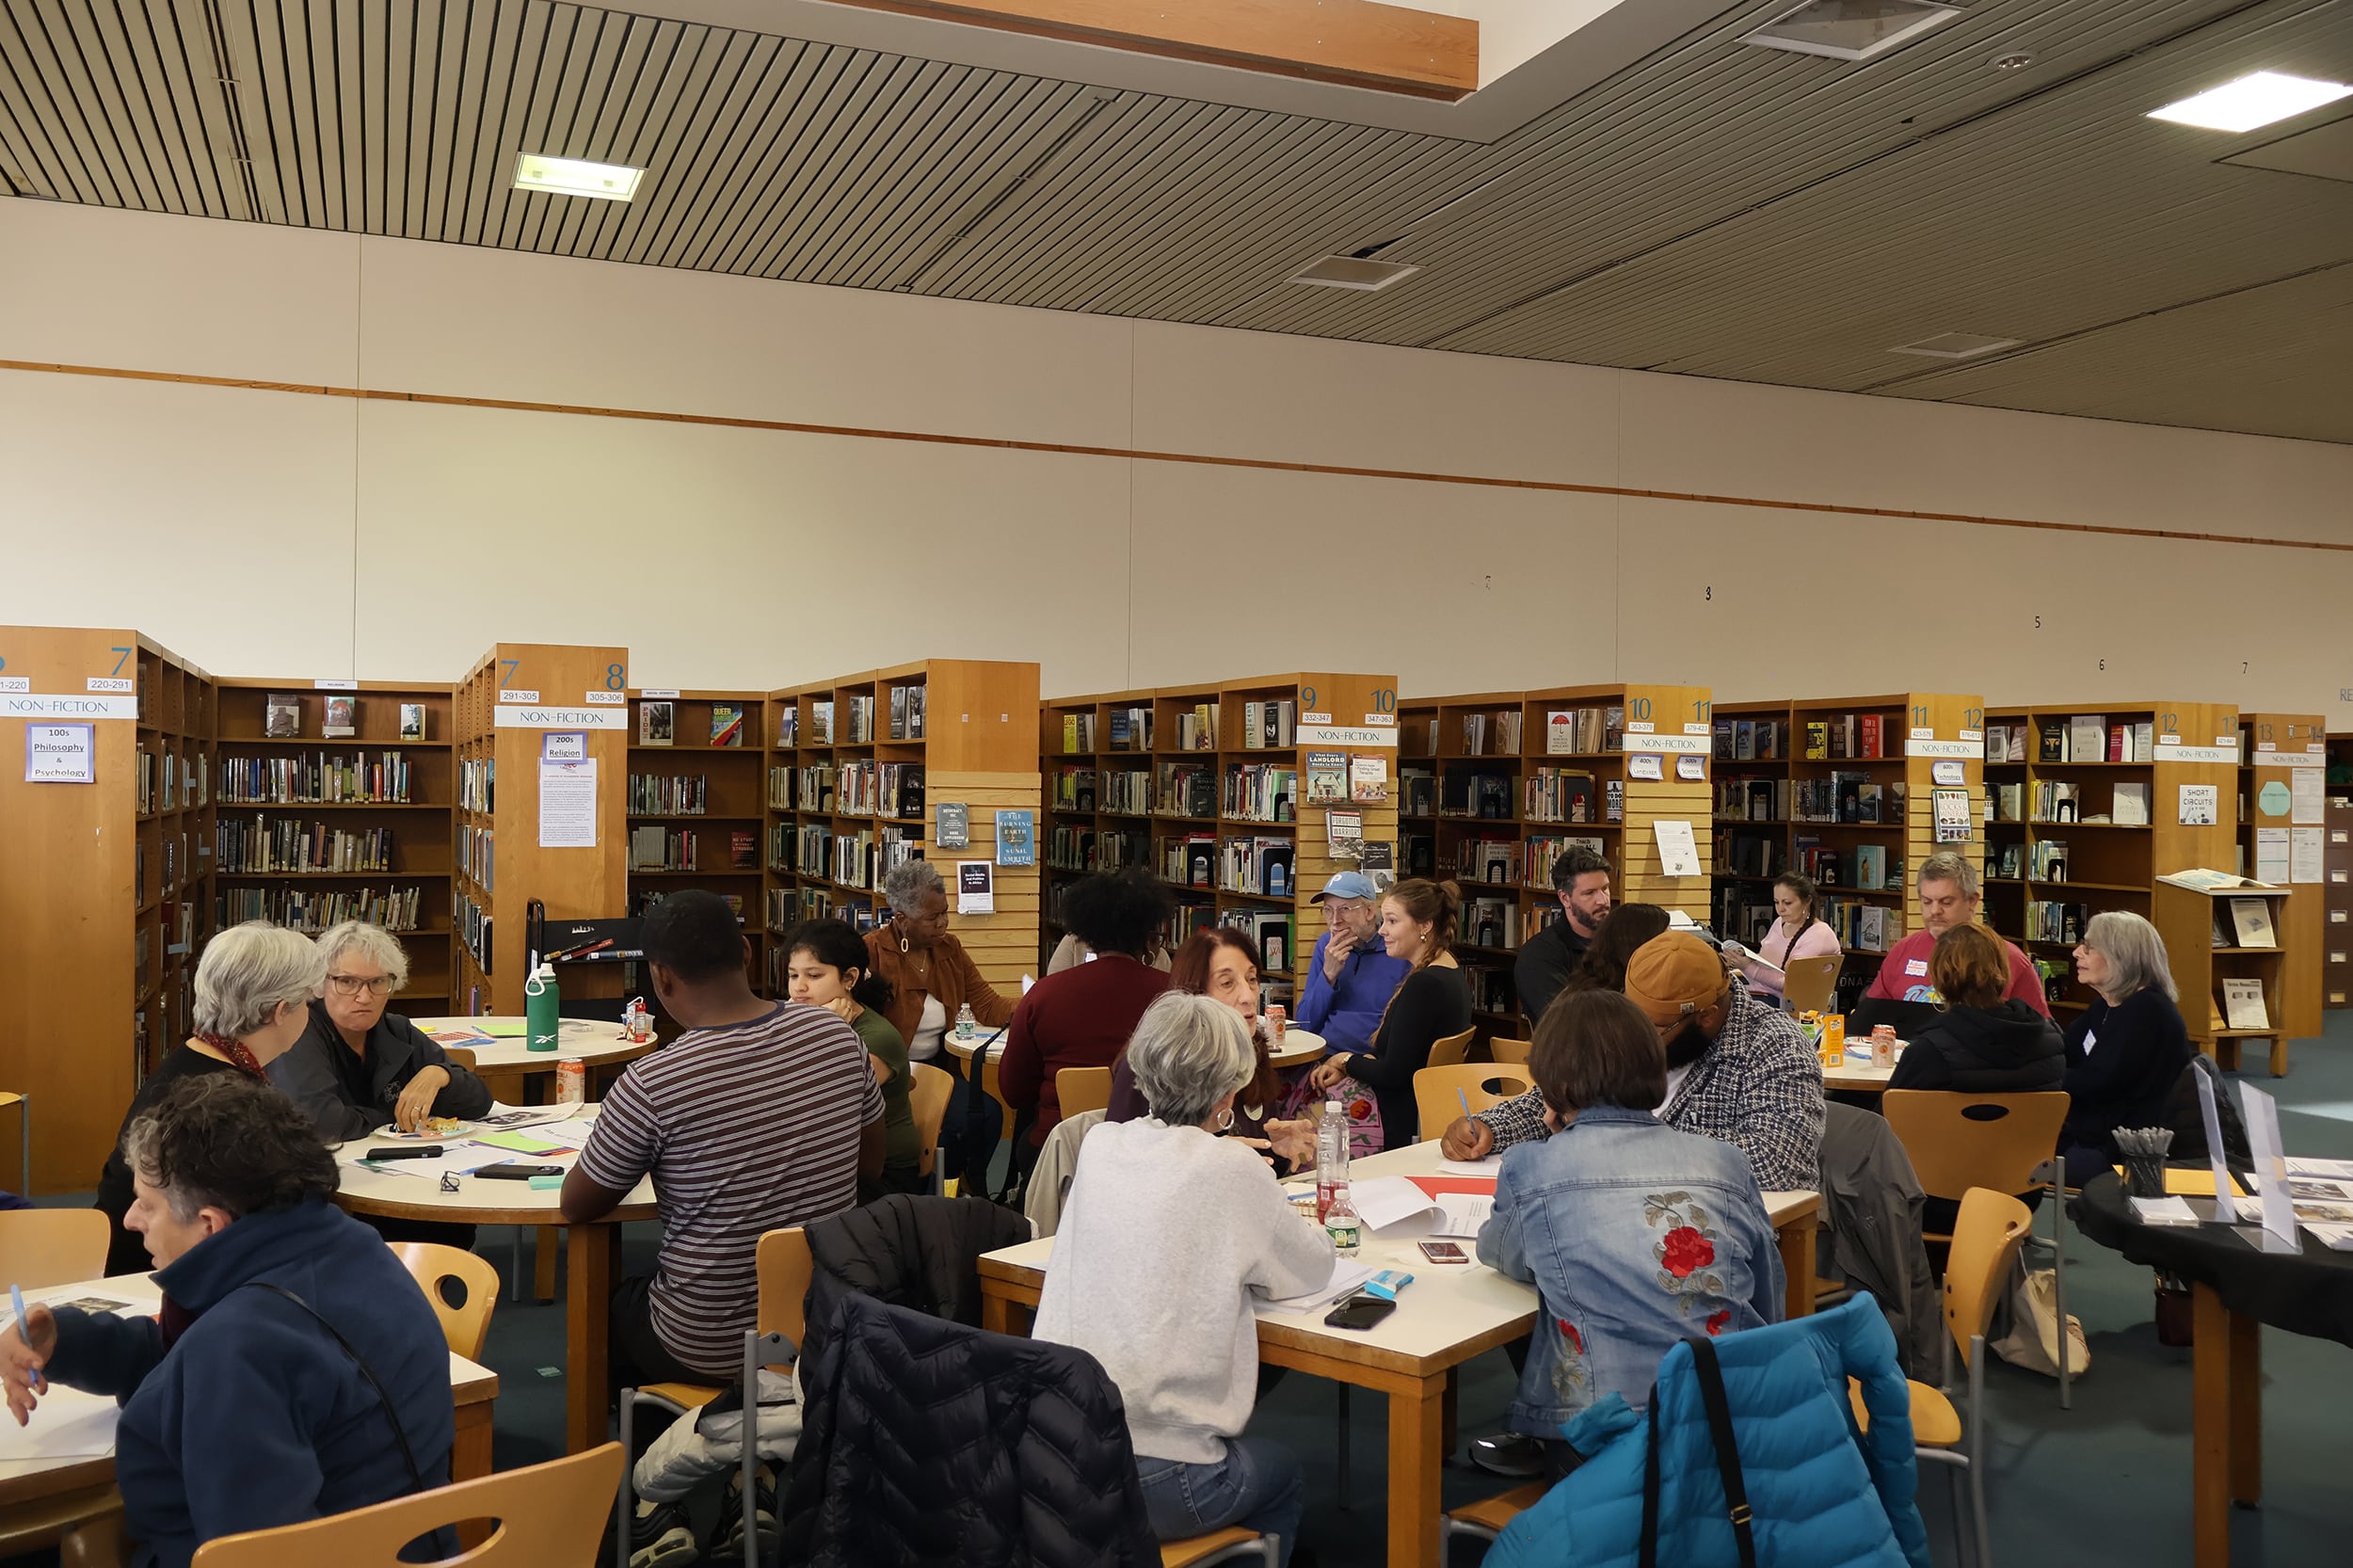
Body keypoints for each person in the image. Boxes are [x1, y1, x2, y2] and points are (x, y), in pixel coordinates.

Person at [7, 1075, 452, 1568]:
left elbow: (252, 1554)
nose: (131, 1220)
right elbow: (184, 1354)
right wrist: (68, 1342)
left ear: (210, 1225)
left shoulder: (239, 1348)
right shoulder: (348, 1247)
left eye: (147, 1206)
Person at [1032, 993, 1333, 1566]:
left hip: (1054, 1453)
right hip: (1160, 1476)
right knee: (1285, 1472)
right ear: (1229, 1092)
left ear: (1143, 1073)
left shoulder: (1101, 1144)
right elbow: (1310, 1267)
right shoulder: (1234, 1169)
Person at [565, 890, 883, 1391]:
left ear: (662, 976)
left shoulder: (652, 1081)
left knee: (621, 1303)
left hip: (711, 1345)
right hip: (830, 1324)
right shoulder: (840, 1037)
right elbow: (870, 1167)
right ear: (748, 954)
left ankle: (658, 1455)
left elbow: (578, 1204)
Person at [1477, 989, 1785, 1479]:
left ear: (1551, 1085)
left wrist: (1560, 1147)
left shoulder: (1532, 1165)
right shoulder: (1725, 1160)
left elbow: (1502, 1253)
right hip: (1736, 1417)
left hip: (1611, 1434)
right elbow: (1768, 1294)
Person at [1443, 931, 1822, 1192]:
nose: (1635, 1036)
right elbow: (1562, 1097)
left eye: (1655, 1028)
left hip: (1716, 1241)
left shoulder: (1774, 1045)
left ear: (1706, 1016)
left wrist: (1621, 1144)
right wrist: (1491, 1128)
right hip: (1608, 1211)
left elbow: (1778, 1162)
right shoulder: (1628, 1025)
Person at [94, 921, 326, 1277]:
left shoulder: (191, 1060)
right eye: (307, 1002)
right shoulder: (225, 1101)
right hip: (157, 1276)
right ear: (281, 1011)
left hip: (126, 1257)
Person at [1105, 928, 1318, 1169]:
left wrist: (1274, 1148)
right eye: (1227, 983)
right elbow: (1123, 1167)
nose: (1248, 996)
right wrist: (1213, 1157)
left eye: (1251, 979)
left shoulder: (1253, 1047)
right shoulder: (1155, 1061)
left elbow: (1255, 1169)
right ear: (1194, 993)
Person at [865, 860, 1016, 1194]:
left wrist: (1033, 1006)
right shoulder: (872, 951)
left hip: (941, 1067)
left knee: (987, 1116)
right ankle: (923, 1193)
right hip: (892, 1073)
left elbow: (987, 1004)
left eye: (945, 912)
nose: (944, 923)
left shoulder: (950, 950)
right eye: (933, 918)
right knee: (947, 1127)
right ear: (902, 920)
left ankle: (949, 1186)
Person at [1000, 868, 1173, 1158]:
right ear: (1147, 934)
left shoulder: (1044, 994)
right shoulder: (1172, 996)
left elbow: (1014, 1091)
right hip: (1150, 1146)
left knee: (1024, 1145)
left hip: (1060, 1147)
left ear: (1086, 932)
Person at [266, 920, 492, 1141]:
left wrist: (441, 1074)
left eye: (377, 982)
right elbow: (320, 1123)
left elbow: (479, 1102)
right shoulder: (298, 1033)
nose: (364, 997)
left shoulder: (396, 1030)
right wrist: (390, 1117)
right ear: (319, 983)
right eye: (346, 982)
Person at [1307, 879, 1472, 1150]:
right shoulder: (1448, 969)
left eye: (1392, 921)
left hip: (1394, 1116)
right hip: (1417, 1104)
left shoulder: (1425, 984)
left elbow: (1393, 1074)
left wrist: (1343, 1060)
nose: (1382, 931)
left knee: (1299, 1122)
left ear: (1424, 926)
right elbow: (1401, 1057)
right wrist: (1352, 1066)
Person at [784, 918, 922, 1200]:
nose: (799, 987)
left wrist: (832, 1028)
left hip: (882, 1175)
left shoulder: (876, 1037)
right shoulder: (800, 1017)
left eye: (814, 976)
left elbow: (819, 1102)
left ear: (849, 979)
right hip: (830, 1161)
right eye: (793, 975)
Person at [2057, 910, 2193, 1187]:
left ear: (2121, 956)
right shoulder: (2106, 1007)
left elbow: (2098, 1083)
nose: (2076, 953)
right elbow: (2063, 1052)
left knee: (2003, 1157)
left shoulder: (2147, 1012)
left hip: (2121, 1151)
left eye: (2089, 947)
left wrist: (2041, 1074)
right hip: (2091, 1132)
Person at [1854, 852, 2051, 1026]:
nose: (1934, 911)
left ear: (1972, 901)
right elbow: (1873, 1015)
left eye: (1946, 902)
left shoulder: (2007, 956)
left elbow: (2041, 1030)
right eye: (1926, 902)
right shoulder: (1903, 949)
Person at [1886, 923, 2066, 1095]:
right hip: (2026, 1127)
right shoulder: (2052, 1044)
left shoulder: (1928, 1050)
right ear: (2004, 970)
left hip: (1949, 1127)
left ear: (1939, 978)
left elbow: (1888, 1115)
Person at [1293, 872, 1412, 1056]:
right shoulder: (1326, 946)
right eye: (1328, 910)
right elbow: (1305, 1023)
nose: (1335, 920)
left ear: (1369, 912)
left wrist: (1346, 1064)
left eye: (1344, 910)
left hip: (1366, 1060)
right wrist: (1328, 975)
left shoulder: (1397, 949)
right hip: (1322, 1054)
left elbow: (1399, 1032)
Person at [1514, 846, 1612, 1027]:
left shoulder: (1621, 940)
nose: (1603, 900)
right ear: (1565, 898)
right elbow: (1564, 1024)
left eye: (1605, 889)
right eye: (1590, 893)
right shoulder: (1540, 954)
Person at [1721, 872, 1842, 1006]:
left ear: (1807, 901)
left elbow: (1792, 985)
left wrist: (1748, 966)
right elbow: (1765, 962)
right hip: (1757, 991)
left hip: (1784, 1003)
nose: (1780, 909)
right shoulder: (1780, 923)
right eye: (1776, 902)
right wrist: (1745, 957)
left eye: (1788, 903)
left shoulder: (1819, 935)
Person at [1549, 903, 1673, 1013]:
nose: (1671, 953)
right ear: (1637, 947)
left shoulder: (1590, 985)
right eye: (1664, 943)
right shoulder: (1603, 1007)